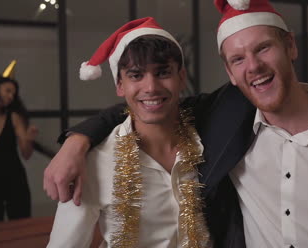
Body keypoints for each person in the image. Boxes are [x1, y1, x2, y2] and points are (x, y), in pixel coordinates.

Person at [44, 0, 308, 247]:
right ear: (230, 74)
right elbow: (149, 105)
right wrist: (78, 140)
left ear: (290, 46)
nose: (253, 67)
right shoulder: (223, 117)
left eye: (264, 49)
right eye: (237, 59)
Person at [47, 17, 211, 247]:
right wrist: (76, 141)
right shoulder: (92, 161)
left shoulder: (210, 139)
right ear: (120, 85)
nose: (151, 87)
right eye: (136, 75)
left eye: (163, 72)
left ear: (181, 77)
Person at [0, 62, 38, 222]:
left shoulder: (14, 118)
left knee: (21, 223)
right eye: (7, 91)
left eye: (13, 94)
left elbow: (26, 154)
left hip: (14, 179)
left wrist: (28, 139)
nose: (10, 97)